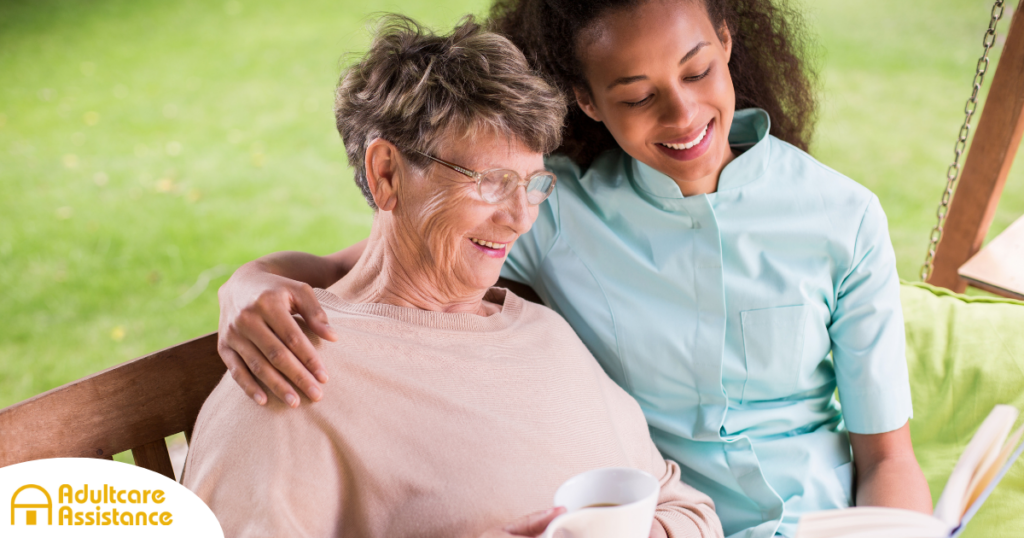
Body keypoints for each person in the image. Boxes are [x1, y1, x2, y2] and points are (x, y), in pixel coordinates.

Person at [213, 1, 934, 536]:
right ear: (590, 101)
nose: (683, 115)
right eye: (637, 95)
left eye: (699, 71)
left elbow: (882, 457)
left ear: (727, 44)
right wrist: (247, 285)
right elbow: (373, 267)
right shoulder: (559, 214)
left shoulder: (842, 216)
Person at [183, 15, 722, 538]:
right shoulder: (289, 375)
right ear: (387, 174)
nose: (520, 218)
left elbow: (686, 507)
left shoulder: (544, 335)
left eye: (534, 184)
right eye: (491, 181)